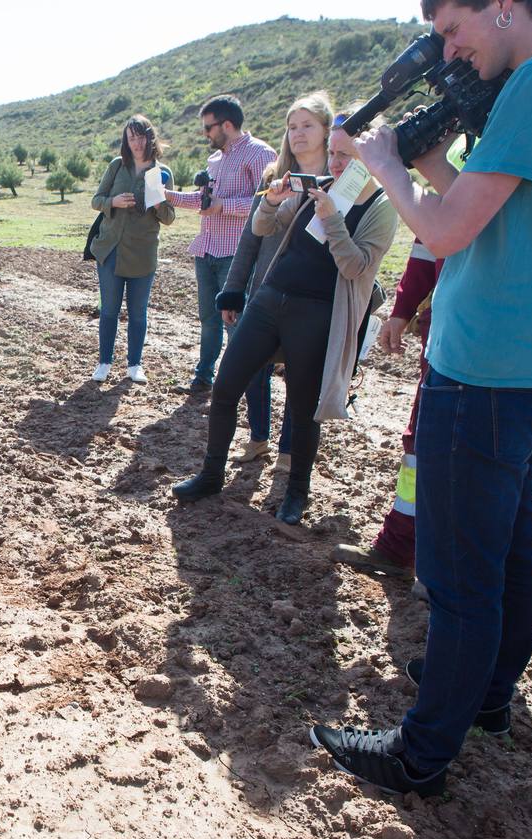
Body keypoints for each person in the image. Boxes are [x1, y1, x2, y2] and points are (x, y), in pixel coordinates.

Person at [310, 0, 532, 796]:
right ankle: (485, 696)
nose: (449, 48)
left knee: (458, 579)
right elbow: (486, 213)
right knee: (510, 547)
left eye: (455, 28)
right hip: (526, 360)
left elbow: (445, 234)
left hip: (483, 363)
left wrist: (384, 166)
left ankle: (420, 754)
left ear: (508, 7)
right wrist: (432, 162)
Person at [172, 112, 399, 525]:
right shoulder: (320, 185)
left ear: (371, 158)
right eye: (332, 153)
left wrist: (331, 217)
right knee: (224, 387)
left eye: (345, 156)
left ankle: (296, 494)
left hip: (317, 312)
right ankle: (210, 474)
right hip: (270, 297)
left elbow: (356, 267)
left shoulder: (381, 208)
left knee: (302, 408)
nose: (334, 164)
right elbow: (262, 227)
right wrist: (271, 202)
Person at [213, 91, 335, 467]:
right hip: (265, 293)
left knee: (300, 380)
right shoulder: (273, 177)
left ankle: (288, 450)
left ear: (326, 130)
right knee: (250, 371)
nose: (298, 134)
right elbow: (251, 237)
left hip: (313, 300)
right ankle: (258, 439)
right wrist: (233, 290)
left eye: (307, 125)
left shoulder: (340, 182)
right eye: (292, 126)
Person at [331, 238, 444, 585]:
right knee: (420, 445)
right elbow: (428, 244)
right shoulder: (453, 188)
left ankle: (441, 566)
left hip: (480, 340)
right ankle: (400, 546)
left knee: (454, 449)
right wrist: (403, 309)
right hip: (444, 334)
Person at [165, 95, 276, 395]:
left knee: (235, 325)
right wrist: (167, 195)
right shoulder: (214, 160)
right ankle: (204, 378)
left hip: (237, 256)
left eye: (208, 128)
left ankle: (238, 384)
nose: (205, 134)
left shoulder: (260, 154)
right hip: (207, 250)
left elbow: (265, 202)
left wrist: (222, 206)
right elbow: (203, 201)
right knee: (209, 319)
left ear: (227, 124)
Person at [88, 114, 175, 385]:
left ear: (150, 137)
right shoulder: (117, 166)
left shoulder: (162, 173)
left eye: (140, 137)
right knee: (109, 310)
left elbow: (169, 217)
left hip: (143, 252)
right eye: (131, 137)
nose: (136, 143)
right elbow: (96, 200)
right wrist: (113, 201)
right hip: (111, 249)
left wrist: (158, 201)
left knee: (138, 312)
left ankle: (134, 365)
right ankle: (104, 362)